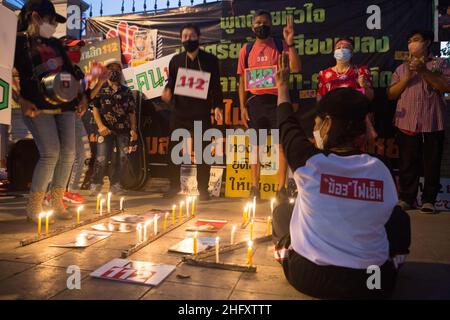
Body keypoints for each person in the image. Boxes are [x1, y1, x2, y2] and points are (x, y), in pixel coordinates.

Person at [273, 54, 411, 299]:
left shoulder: (309, 162)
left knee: (282, 211)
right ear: (363, 127)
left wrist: (283, 86)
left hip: (310, 277)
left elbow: (286, 123)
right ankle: (393, 260)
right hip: (373, 281)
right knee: (398, 217)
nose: (315, 128)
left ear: (326, 125)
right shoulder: (381, 167)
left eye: (317, 122)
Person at [14, 0, 87, 223]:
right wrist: (21, 100)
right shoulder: (18, 43)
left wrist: (82, 96)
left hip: (65, 105)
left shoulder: (55, 44)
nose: (54, 25)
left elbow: (70, 74)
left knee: (69, 153)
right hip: (37, 105)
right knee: (50, 153)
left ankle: (57, 200)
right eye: (51, 20)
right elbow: (6, 74)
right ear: (35, 16)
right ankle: (34, 205)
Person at [237, 10, 301, 201]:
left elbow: (296, 68)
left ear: (271, 25)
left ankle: (281, 189)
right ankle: (254, 188)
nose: (261, 25)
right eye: (257, 23)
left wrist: (290, 42)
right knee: (256, 147)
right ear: (252, 27)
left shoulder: (281, 45)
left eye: (264, 22)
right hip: (255, 103)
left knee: (282, 146)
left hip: (279, 101)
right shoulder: (246, 50)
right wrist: (242, 107)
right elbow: (241, 81)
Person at [387, 30, 450, 214]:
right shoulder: (401, 69)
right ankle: (407, 198)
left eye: (415, 40)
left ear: (427, 42)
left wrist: (423, 72)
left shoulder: (440, 63)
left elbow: (446, 86)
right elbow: (391, 95)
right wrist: (407, 78)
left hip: (432, 121)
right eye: (409, 41)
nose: (411, 44)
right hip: (406, 122)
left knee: (432, 163)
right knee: (407, 162)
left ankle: (429, 200)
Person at [162, 23, 224, 201]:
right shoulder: (176, 60)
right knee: (174, 151)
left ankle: (203, 189)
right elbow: (171, 82)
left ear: (199, 37)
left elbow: (216, 87)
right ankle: (174, 186)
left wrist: (218, 106)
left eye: (191, 36)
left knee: (203, 151)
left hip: (201, 112)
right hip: (179, 112)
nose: (188, 39)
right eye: (184, 36)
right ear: (181, 39)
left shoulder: (210, 60)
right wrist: (167, 91)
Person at [89, 59, 138, 196]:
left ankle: (116, 184)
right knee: (101, 158)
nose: (114, 71)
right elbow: (95, 109)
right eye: (111, 68)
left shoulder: (126, 91)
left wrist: (133, 129)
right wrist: (100, 126)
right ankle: (96, 184)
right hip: (104, 130)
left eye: (117, 68)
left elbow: (132, 112)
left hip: (123, 130)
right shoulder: (100, 89)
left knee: (122, 158)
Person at [317, 37, 377, 142]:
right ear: (334, 52)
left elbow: (370, 97)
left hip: (355, 123)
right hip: (334, 123)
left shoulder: (361, 71)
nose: (341, 49)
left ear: (352, 53)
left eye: (346, 47)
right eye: (338, 47)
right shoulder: (324, 74)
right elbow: (320, 100)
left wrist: (364, 86)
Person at [59, 36, 91, 204]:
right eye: (72, 49)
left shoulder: (78, 71)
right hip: (59, 116)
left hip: (74, 117)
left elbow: (85, 94)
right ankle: (55, 193)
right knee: (62, 156)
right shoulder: (56, 68)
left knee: (84, 154)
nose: (77, 52)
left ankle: (70, 192)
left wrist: (84, 99)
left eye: (78, 49)